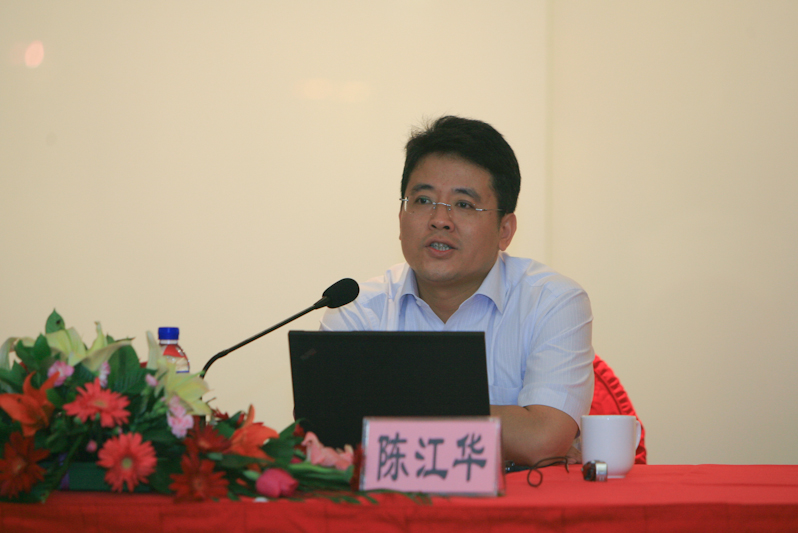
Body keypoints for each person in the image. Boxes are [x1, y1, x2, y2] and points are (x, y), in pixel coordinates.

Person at [320, 116, 594, 467]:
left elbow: (542, 439)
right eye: (422, 200)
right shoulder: (356, 310)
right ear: (401, 215)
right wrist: (503, 427)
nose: (439, 219)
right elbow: (328, 435)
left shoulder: (552, 302)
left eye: (464, 205)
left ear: (505, 230)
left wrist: (388, 411)